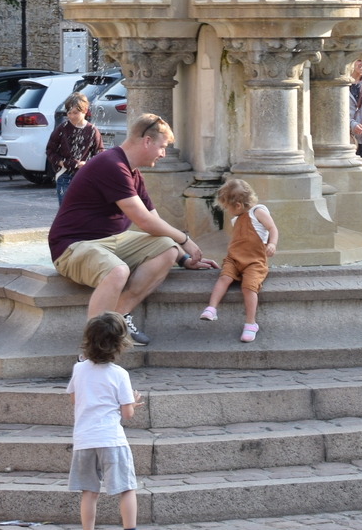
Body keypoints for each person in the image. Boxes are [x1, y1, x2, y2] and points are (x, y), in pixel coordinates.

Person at [50, 114, 218, 346]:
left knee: (168, 249)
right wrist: (185, 239)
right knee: (118, 272)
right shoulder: (111, 164)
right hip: (72, 247)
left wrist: (184, 258)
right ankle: (92, 351)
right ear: (147, 141)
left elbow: (154, 220)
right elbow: (144, 222)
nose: (163, 154)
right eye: (162, 147)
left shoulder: (132, 172)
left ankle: (119, 317)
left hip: (109, 242)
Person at [67, 312, 160, 530]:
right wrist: (132, 402)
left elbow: (75, 399)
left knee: (89, 491)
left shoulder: (79, 369)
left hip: (84, 440)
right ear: (120, 344)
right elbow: (127, 414)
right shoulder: (119, 374)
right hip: (111, 439)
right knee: (126, 488)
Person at [199, 177, 279, 342]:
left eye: (227, 208)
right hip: (234, 259)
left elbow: (272, 228)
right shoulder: (237, 219)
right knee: (224, 278)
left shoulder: (258, 212)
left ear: (238, 205)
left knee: (249, 287)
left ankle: (250, 323)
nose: (227, 211)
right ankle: (211, 308)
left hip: (254, 262)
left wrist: (272, 243)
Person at [46, 92, 103, 205]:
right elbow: (50, 151)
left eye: (75, 113)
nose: (71, 116)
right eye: (69, 113)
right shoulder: (62, 128)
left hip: (85, 175)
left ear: (85, 111)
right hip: (65, 175)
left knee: (84, 208)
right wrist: (63, 163)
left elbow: (99, 154)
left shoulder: (92, 130)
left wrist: (87, 164)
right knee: (66, 208)